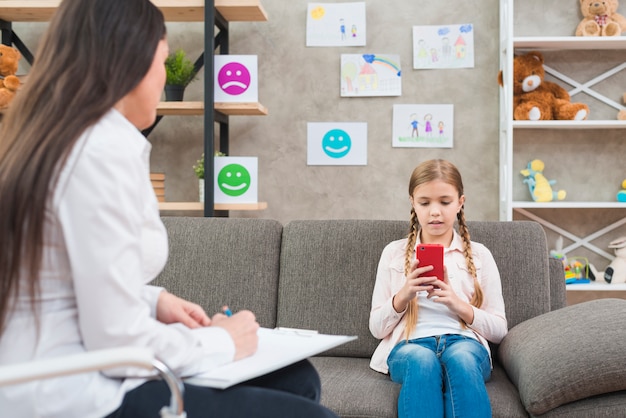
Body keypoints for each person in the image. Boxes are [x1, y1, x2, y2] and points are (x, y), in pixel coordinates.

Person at [0, 1, 337, 417]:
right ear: (130, 62)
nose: (163, 79)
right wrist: (224, 340)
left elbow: (60, 279)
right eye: (161, 62)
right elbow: (118, 343)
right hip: (77, 392)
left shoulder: (50, 140)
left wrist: (152, 301)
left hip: (49, 367)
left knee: (297, 378)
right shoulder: (98, 152)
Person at [369, 159, 508, 418]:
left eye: (445, 202)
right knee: (422, 361)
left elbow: (500, 331)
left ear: (460, 202)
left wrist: (456, 303)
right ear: (412, 202)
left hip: (464, 343)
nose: (435, 212)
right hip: (410, 344)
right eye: (425, 203)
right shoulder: (393, 253)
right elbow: (377, 328)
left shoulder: (479, 255)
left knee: (463, 360)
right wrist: (404, 295)